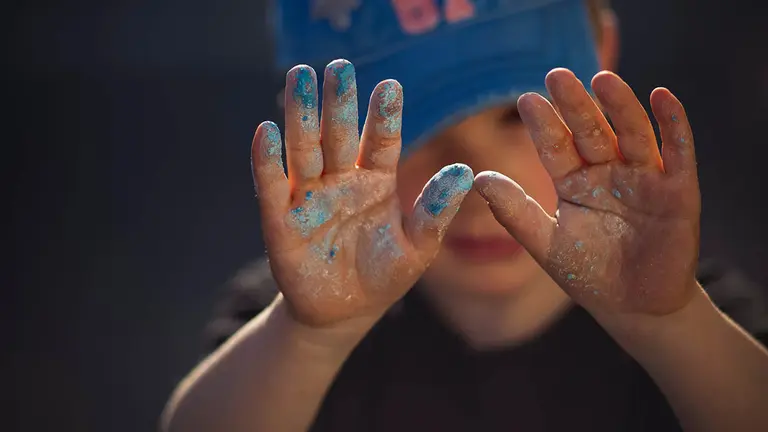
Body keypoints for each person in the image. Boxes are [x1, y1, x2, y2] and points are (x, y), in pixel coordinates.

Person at [161, 0, 768, 431]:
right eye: (406, 128)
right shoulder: (292, 326)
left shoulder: (696, 330)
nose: (477, 185)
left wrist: (670, 326)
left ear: (602, 60)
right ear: (320, 131)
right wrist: (313, 338)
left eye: (516, 117)